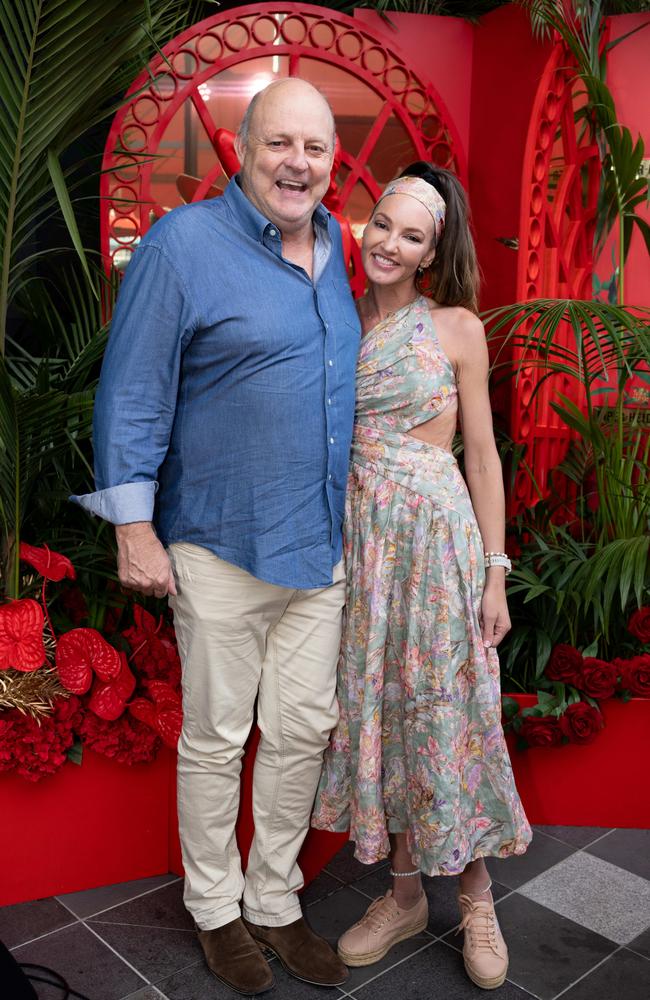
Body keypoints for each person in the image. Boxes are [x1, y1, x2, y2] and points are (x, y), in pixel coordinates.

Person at [73, 78, 361, 996]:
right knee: (217, 737)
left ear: (331, 162)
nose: (298, 164)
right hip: (219, 539)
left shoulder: (339, 246)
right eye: (281, 143)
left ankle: (275, 899)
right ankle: (215, 909)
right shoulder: (183, 245)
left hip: (319, 543)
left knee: (302, 733)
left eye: (315, 149)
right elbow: (132, 390)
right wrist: (134, 529)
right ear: (243, 148)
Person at [312, 164, 532, 991]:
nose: (391, 244)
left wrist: (495, 575)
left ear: (433, 251)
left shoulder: (456, 327)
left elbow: (481, 455)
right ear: (364, 227)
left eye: (413, 235)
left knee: (445, 709)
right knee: (380, 712)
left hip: (438, 545)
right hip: (363, 543)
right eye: (384, 226)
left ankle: (476, 897)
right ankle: (403, 896)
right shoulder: (332, 319)